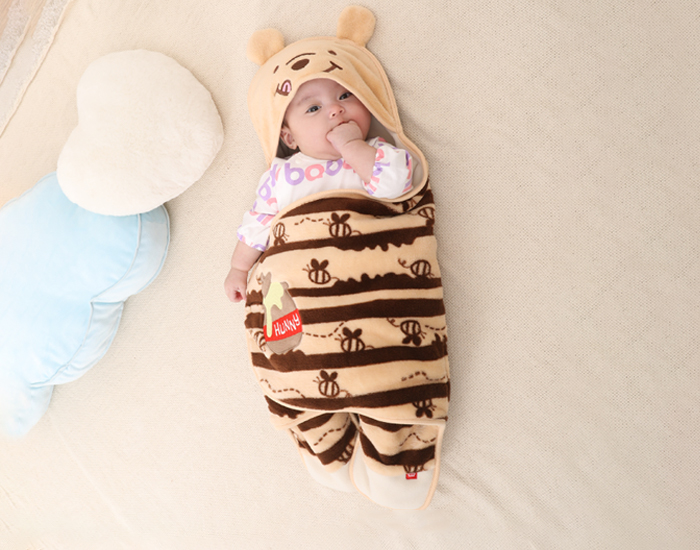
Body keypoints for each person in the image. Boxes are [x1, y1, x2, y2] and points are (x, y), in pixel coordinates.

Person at [224, 77, 412, 303]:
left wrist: (351, 145)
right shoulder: (281, 176)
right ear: (289, 138)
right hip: (307, 279)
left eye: (345, 95)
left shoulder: (377, 154)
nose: (336, 108)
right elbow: (258, 223)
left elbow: (395, 186)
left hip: (370, 266)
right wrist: (239, 268)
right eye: (314, 108)